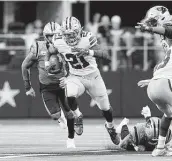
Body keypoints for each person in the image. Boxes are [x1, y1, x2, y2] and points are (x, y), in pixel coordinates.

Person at [45, 16, 120, 145]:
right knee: (69, 94)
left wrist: (89, 52)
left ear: (79, 31)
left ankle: (110, 126)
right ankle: (78, 115)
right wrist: (47, 64)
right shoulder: (58, 40)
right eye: (66, 35)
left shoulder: (87, 38)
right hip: (75, 76)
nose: (70, 38)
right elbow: (51, 50)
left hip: (93, 76)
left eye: (72, 34)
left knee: (106, 109)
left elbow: (106, 55)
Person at [21, 22, 76, 148]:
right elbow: (24, 65)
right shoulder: (38, 47)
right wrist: (27, 86)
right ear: (45, 36)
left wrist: (68, 79)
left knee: (70, 113)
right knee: (55, 115)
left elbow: (75, 67)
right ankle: (59, 117)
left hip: (63, 84)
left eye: (55, 35)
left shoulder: (66, 45)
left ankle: (71, 139)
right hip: (47, 86)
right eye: (50, 36)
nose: (52, 38)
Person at [136, 6, 172, 156]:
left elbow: (169, 30)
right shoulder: (165, 30)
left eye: (154, 21)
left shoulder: (166, 29)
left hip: (155, 85)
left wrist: (151, 29)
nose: (153, 24)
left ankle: (160, 148)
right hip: (164, 82)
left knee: (169, 115)